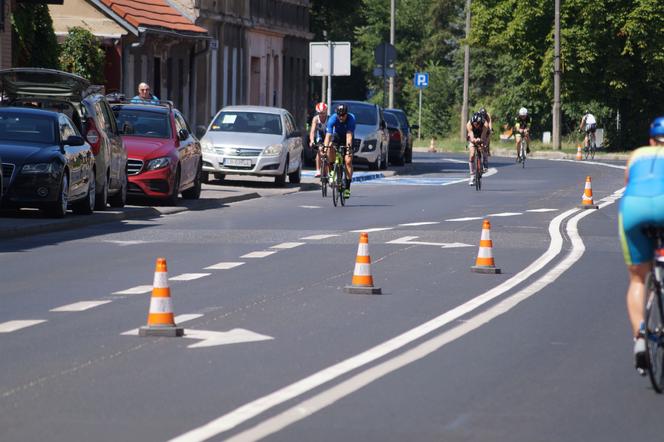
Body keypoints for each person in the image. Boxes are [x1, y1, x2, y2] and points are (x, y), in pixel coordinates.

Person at [619, 116, 664, 376]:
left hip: (634, 208)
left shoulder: (637, 154)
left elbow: (628, 183)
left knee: (637, 279)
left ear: (650, 140)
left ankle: (639, 337)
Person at [324, 104, 356, 198]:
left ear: (347, 114)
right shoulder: (333, 118)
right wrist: (325, 148)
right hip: (337, 136)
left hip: (347, 137)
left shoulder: (351, 119)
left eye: (343, 115)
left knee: (348, 161)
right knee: (330, 146)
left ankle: (347, 188)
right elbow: (328, 135)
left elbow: (349, 136)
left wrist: (349, 149)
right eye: (339, 115)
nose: (341, 117)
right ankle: (331, 171)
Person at [466, 112, 489, 186]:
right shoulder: (469, 124)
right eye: (474, 124)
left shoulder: (485, 124)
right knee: (472, 155)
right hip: (473, 136)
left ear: (480, 122)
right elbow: (471, 136)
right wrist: (473, 140)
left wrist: (481, 140)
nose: (476, 125)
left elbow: (483, 136)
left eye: (477, 124)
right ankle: (472, 175)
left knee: (484, 147)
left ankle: (485, 163)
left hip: (482, 135)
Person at [309, 102, 329, 178]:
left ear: (326, 112)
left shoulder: (329, 119)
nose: (321, 115)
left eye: (323, 113)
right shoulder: (316, 119)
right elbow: (312, 131)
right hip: (320, 136)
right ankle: (318, 170)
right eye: (319, 113)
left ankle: (328, 169)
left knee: (328, 150)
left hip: (328, 135)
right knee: (319, 149)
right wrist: (311, 140)